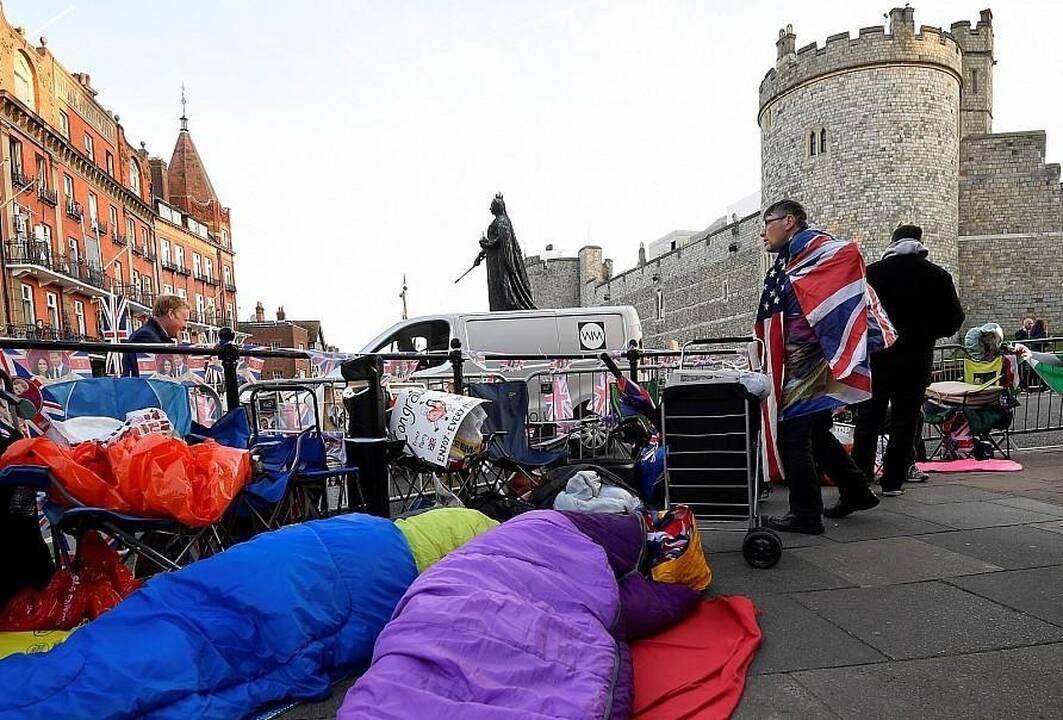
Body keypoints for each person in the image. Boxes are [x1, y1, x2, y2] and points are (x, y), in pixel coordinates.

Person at [756, 199, 894, 534]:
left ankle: (805, 513)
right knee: (816, 432)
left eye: (768, 222)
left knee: (792, 435)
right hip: (808, 355)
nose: (763, 233)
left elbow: (845, 265)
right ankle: (856, 489)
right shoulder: (797, 257)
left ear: (790, 221)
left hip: (808, 359)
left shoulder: (817, 250)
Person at [851, 225, 965, 498]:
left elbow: (855, 314)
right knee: (905, 422)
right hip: (916, 358)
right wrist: (926, 333)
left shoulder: (872, 274)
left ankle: (859, 478)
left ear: (892, 243)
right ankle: (893, 481)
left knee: (868, 419)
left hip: (878, 357)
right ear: (920, 244)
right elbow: (954, 319)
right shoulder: (937, 275)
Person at [122, 295, 189, 377]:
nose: (186, 326)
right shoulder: (145, 336)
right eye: (185, 320)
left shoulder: (152, 334)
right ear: (171, 314)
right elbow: (153, 377)